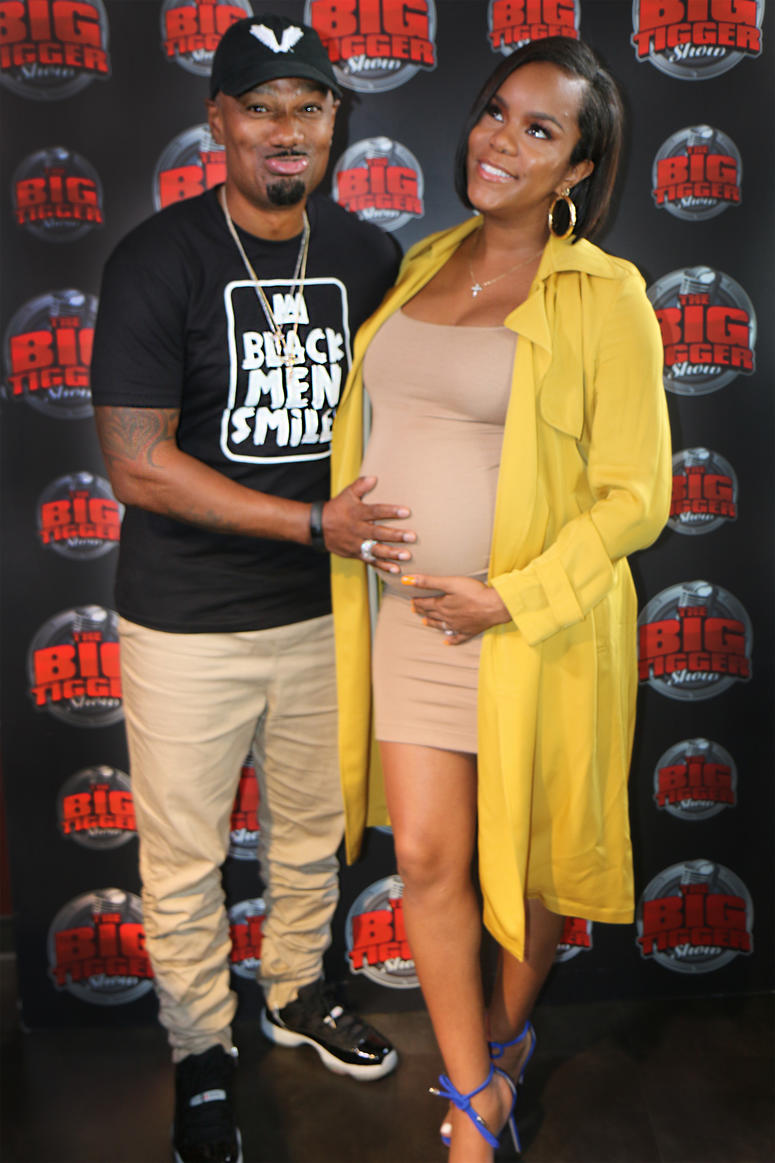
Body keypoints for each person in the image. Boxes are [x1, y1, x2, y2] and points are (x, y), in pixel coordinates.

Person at [331, 36, 672, 1162]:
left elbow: (638, 496)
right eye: (494, 112)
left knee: (526, 859)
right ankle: (476, 1092)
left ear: (577, 168)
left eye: (539, 130)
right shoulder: (423, 260)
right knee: (429, 857)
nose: (500, 141)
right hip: (412, 620)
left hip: (537, 624)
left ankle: (505, 1037)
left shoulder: (605, 295)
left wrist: (510, 595)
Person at [90, 14, 416, 1163]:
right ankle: (200, 1048)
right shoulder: (158, 258)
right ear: (218, 120)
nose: (288, 129)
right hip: (187, 619)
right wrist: (312, 524)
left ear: (336, 121)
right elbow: (137, 462)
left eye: (308, 106)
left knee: (313, 830)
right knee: (183, 856)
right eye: (262, 106)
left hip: (325, 613)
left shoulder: (369, 256)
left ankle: (293, 990)